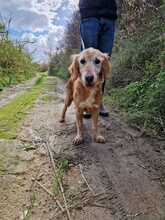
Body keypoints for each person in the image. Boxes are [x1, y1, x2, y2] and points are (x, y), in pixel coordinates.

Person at [79, 0, 117, 118]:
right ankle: (86, 102)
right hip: (89, 14)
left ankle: (99, 101)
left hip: (109, 16)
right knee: (87, 61)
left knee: (103, 63)